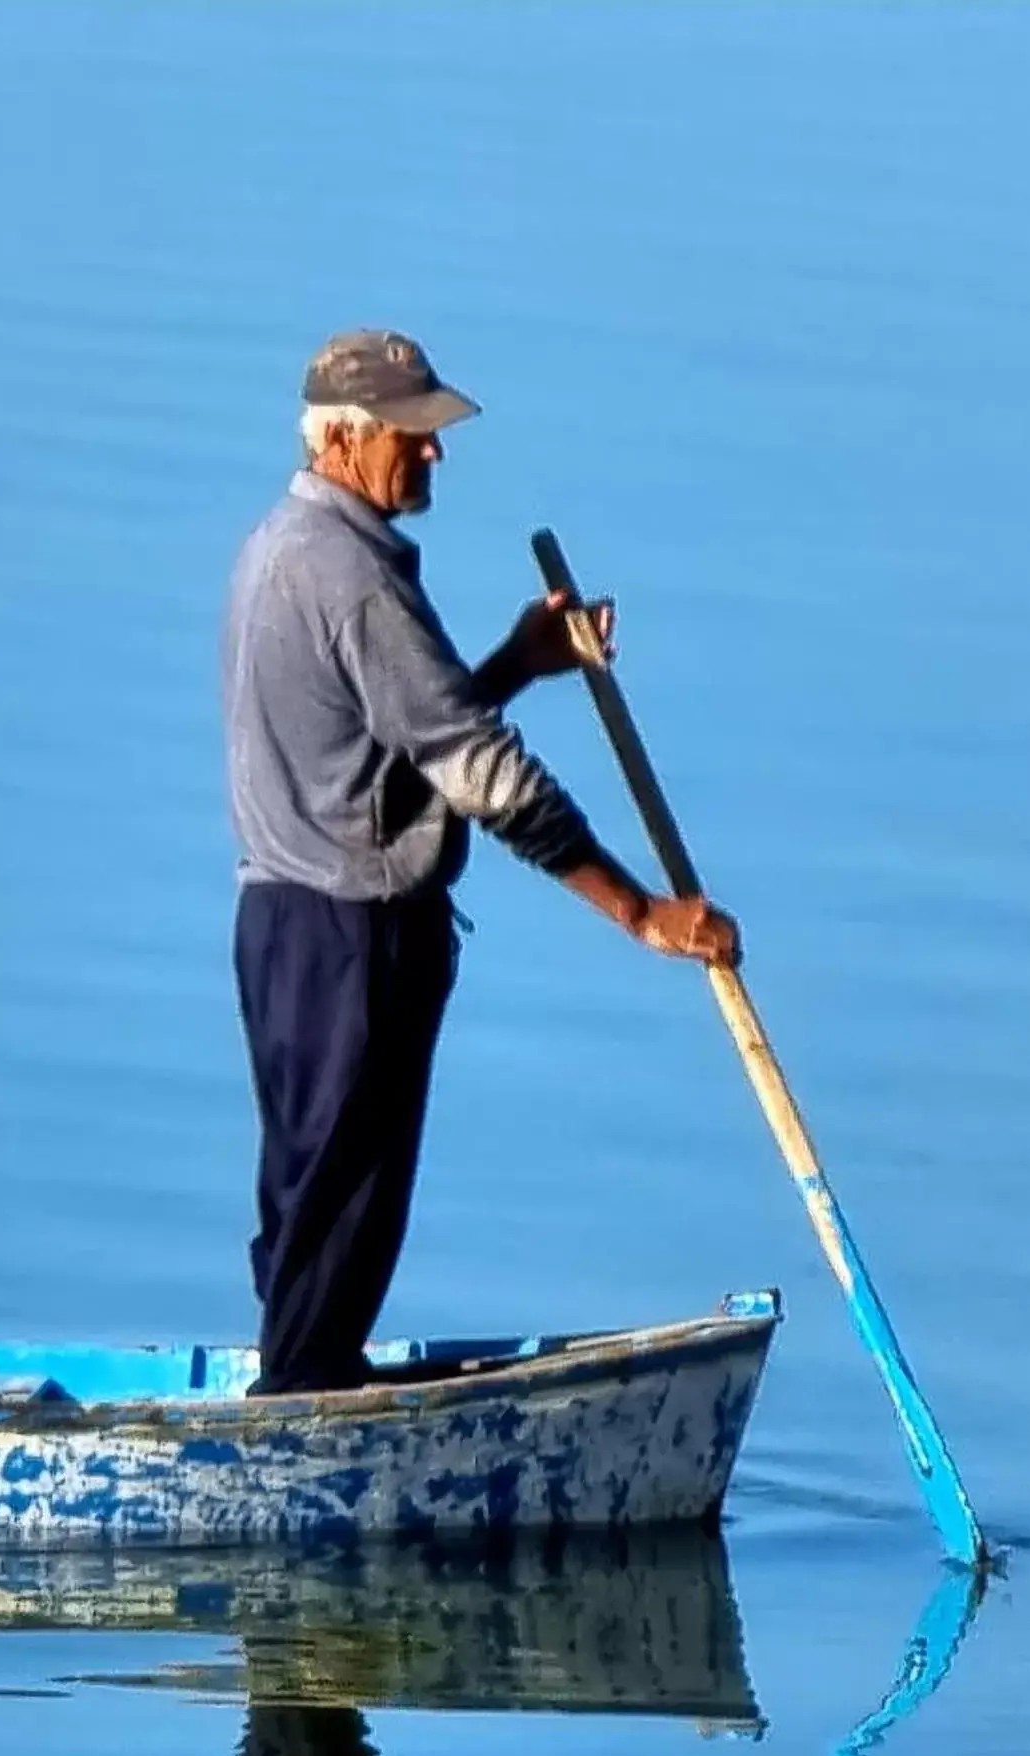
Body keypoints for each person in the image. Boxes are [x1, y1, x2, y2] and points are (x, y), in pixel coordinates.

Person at [221, 329, 743, 1394]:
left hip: (281, 924)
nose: (432, 454)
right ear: (344, 440)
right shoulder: (350, 577)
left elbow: (399, 738)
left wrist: (511, 663)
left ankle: (306, 1380)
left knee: (313, 1196)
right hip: (347, 935)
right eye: (412, 436)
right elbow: (481, 776)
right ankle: (303, 1410)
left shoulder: (279, 544)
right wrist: (640, 913)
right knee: (340, 1200)